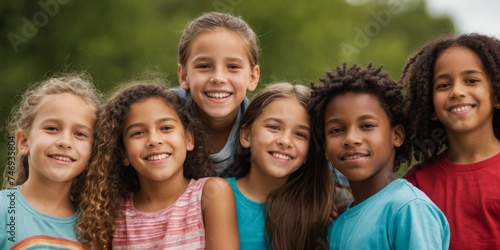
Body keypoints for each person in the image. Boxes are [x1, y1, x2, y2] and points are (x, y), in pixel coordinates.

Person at [76, 82, 239, 249]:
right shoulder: (114, 212)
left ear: (188, 139)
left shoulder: (210, 194)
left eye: (166, 128)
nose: (154, 140)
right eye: (138, 133)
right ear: (123, 153)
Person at [309, 64, 450, 249]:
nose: (351, 139)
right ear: (325, 147)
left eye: (367, 125)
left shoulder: (408, 208)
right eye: (337, 130)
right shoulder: (338, 220)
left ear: (396, 136)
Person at [402, 33, 500, 249]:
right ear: (431, 107)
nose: (457, 91)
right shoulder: (415, 186)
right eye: (444, 85)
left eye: (471, 81)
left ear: (497, 96)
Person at [226, 82, 334, 250]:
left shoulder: (318, 213)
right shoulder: (212, 194)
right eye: (274, 127)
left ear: (309, 152)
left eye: (300, 134)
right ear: (246, 135)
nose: (285, 141)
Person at [0, 74, 101, 249]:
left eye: (80, 134)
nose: (65, 142)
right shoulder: (4, 212)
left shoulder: (95, 227)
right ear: (24, 141)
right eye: (52, 129)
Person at [174, 11, 260, 175]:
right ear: (184, 75)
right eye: (204, 66)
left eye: (233, 67)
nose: (219, 78)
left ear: (253, 77)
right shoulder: (158, 115)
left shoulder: (265, 129)